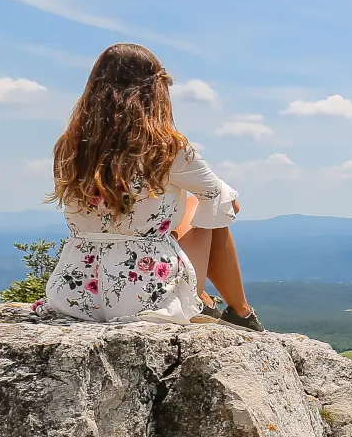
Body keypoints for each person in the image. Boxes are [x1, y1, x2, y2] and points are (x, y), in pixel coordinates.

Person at [37, 43, 265, 330]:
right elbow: (226, 202)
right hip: (143, 295)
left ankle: (211, 299)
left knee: (185, 207)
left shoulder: (69, 145)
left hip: (74, 293)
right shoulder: (166, 147)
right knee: (209, 211)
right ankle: (241, 313)